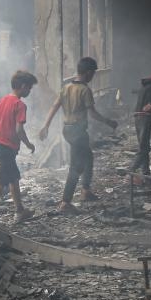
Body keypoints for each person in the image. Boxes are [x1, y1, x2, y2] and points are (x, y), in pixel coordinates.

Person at [39, 57, 118, 214]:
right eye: (93, 73)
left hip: (67, 129)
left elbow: (54, 107)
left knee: (88, 157)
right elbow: (93, 114)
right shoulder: (84, 90)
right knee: (76, 166)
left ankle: (85, 190)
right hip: (78, 132)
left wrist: (45, 126)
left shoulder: (66, 88)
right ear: (88, 73)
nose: (93, 76)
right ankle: (65, 202)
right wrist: (108, 122)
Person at [0, 70, 38, 222]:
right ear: (23, 86)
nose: (29, 91)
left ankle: (19, 210)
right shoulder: (19, 105)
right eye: (29, 88)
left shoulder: (2, 100)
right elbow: (19, 130)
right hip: (7, 147)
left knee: (12, 177)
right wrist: (29, 144)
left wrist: (1, 131)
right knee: (2, 179)